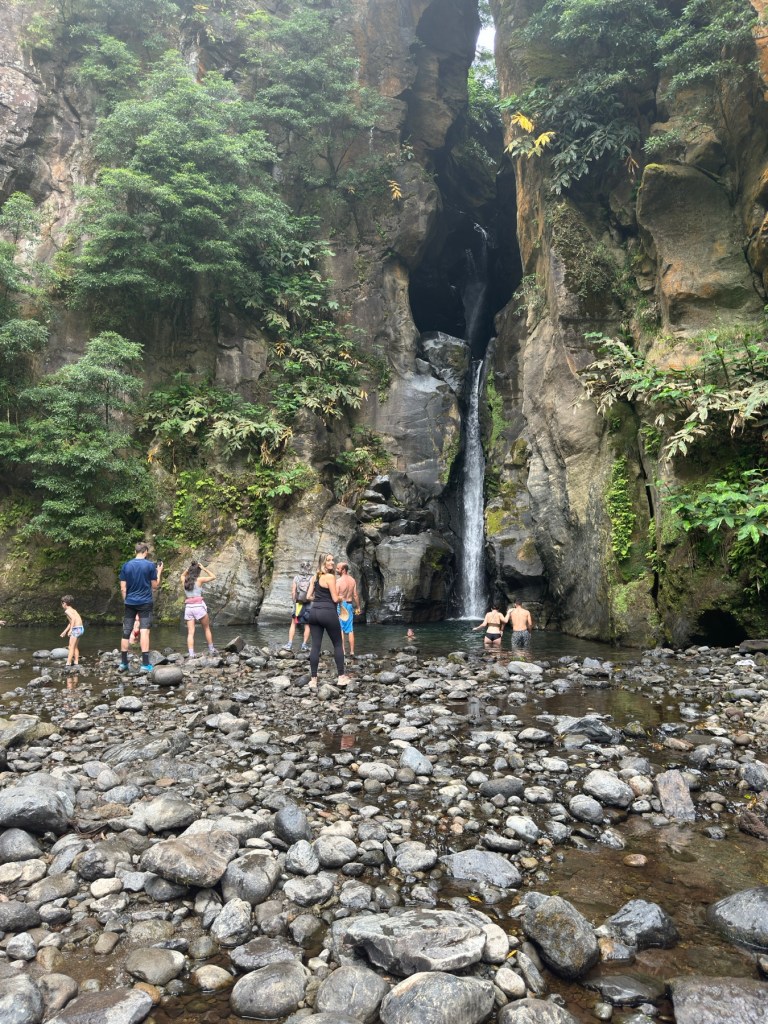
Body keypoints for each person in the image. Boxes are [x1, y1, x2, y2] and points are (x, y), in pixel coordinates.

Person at [306, 553, 350, 690]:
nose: (332, 562)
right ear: (323, 563)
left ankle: (313, 680)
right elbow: (335, 599)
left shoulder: (314, 577)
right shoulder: (330, 577)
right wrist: (341, 598)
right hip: (328, 613)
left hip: (314, 613)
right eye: (328, 560)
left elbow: (308, 596)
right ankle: (341, 677)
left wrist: (319, 600)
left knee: (315, 646)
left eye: (332, 560)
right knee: (337, 644)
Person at [118, 542, 163, 672]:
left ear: (135, 551)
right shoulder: (150, 565)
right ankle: (145, 664)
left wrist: (126, 600)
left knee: (126, 631)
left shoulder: (126, 565)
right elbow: (155, 586)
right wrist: (159, 572)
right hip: (145, 603)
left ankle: (123, 663)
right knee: (144, 631)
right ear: (146, 552)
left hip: (129, 602)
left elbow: (123, 588)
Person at [181, 559, 217, 658]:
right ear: (198, 572)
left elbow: (182, 575)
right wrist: (204, 569)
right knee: (206, 629)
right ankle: (211, 649)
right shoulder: (200, 580)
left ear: (189, 571)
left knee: (190, 633)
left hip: (189, 608)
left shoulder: (184, 580)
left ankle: (191, 653)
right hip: (199, 607)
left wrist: (188, 570)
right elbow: (213, 576)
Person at [283, 560, 313, 652]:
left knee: (293, 623)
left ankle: (289, 644)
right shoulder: (312, 578)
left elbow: (293, 592)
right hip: (309, 603)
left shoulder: (296, 578)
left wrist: (294, 602)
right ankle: (304, 645)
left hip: (298, 603)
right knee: (307, 625)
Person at [336, 561, 360, 656]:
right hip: (349, 605)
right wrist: (358, 607)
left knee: (340, 628)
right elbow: (355, 595)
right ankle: (352, 652)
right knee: (350, 629)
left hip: (341, 605)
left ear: (343, 570)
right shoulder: (352, 580)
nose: (336, 570)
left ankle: (343, 651)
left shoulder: (338, 581)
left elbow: (336, 597)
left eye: (338, 568)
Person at [60, 595, 84, 667]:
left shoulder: (67, 611)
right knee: (75, 646)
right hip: (80, 628)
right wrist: (64, 631)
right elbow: (71, 622)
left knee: (71, 647)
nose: (62, 605)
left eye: (62, 603)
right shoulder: (74, 610)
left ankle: (68, 663)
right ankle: (76, 661)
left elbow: (73, 619)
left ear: (64, 603)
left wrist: (71, 630)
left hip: (76, 629)